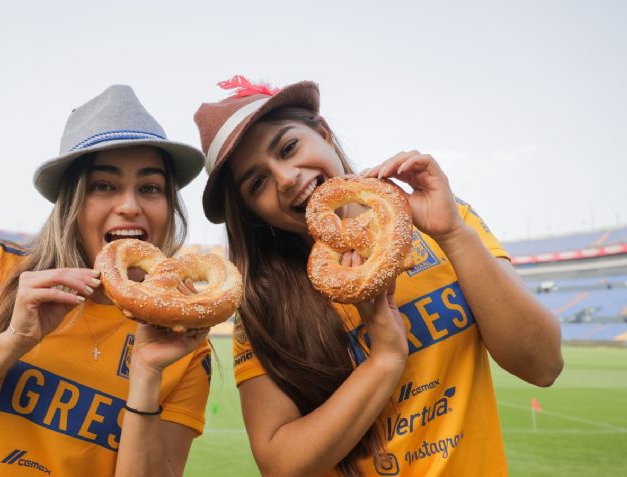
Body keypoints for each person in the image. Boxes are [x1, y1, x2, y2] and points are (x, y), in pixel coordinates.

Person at [192, 76, 563, 476]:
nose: (285, 178)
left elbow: (542, 365)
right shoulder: (262, 305)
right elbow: (281, 465)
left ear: (324, 134)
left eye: (288, 147)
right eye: (257, 182)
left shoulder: (442, 221)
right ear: (252, 211)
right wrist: (384, 359)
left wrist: (453, 234)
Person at [0, 85, 213, 477]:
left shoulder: (181, 343)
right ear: (72, 203)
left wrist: (146, 373)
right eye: (104, 186)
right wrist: (13, 342)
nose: (129, 205)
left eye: (150, 188)